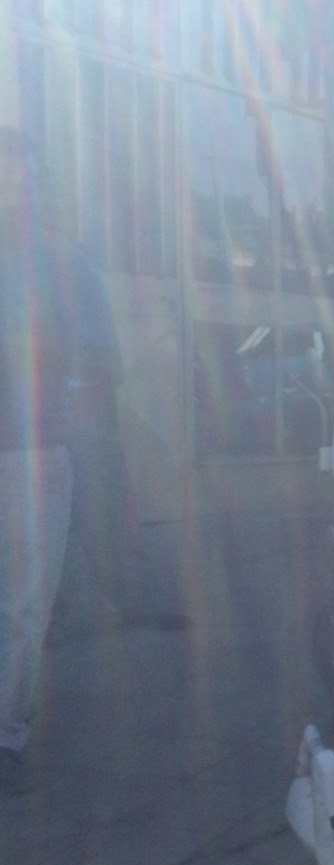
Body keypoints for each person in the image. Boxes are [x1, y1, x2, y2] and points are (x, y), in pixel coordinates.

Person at [0, 127, 106, 792]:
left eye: (23, 180)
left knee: (22, 607)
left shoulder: (67, 266)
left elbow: (103, 363)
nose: (14, 193)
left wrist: (58, 370)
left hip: (35, 456)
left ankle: (7, 735)